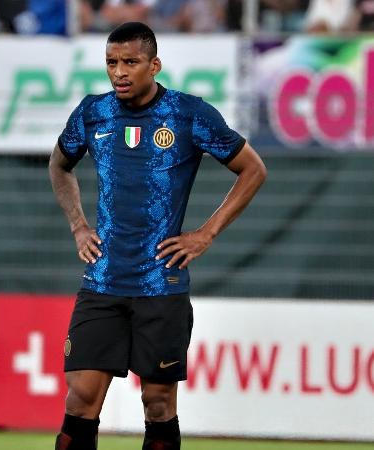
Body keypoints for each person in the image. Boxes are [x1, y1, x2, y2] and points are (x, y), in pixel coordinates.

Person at [49, 21, 267, 450]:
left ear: (155, 64)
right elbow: (59, 165)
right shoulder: (93, 113)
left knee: (158, 404)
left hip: (160, 284)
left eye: (130, 62)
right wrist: (78, 224)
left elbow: (253, 169)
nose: (119, 73)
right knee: (80, 401)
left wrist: (206, 233)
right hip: (103, 281)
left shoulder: (189, 115)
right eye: (112, 62)